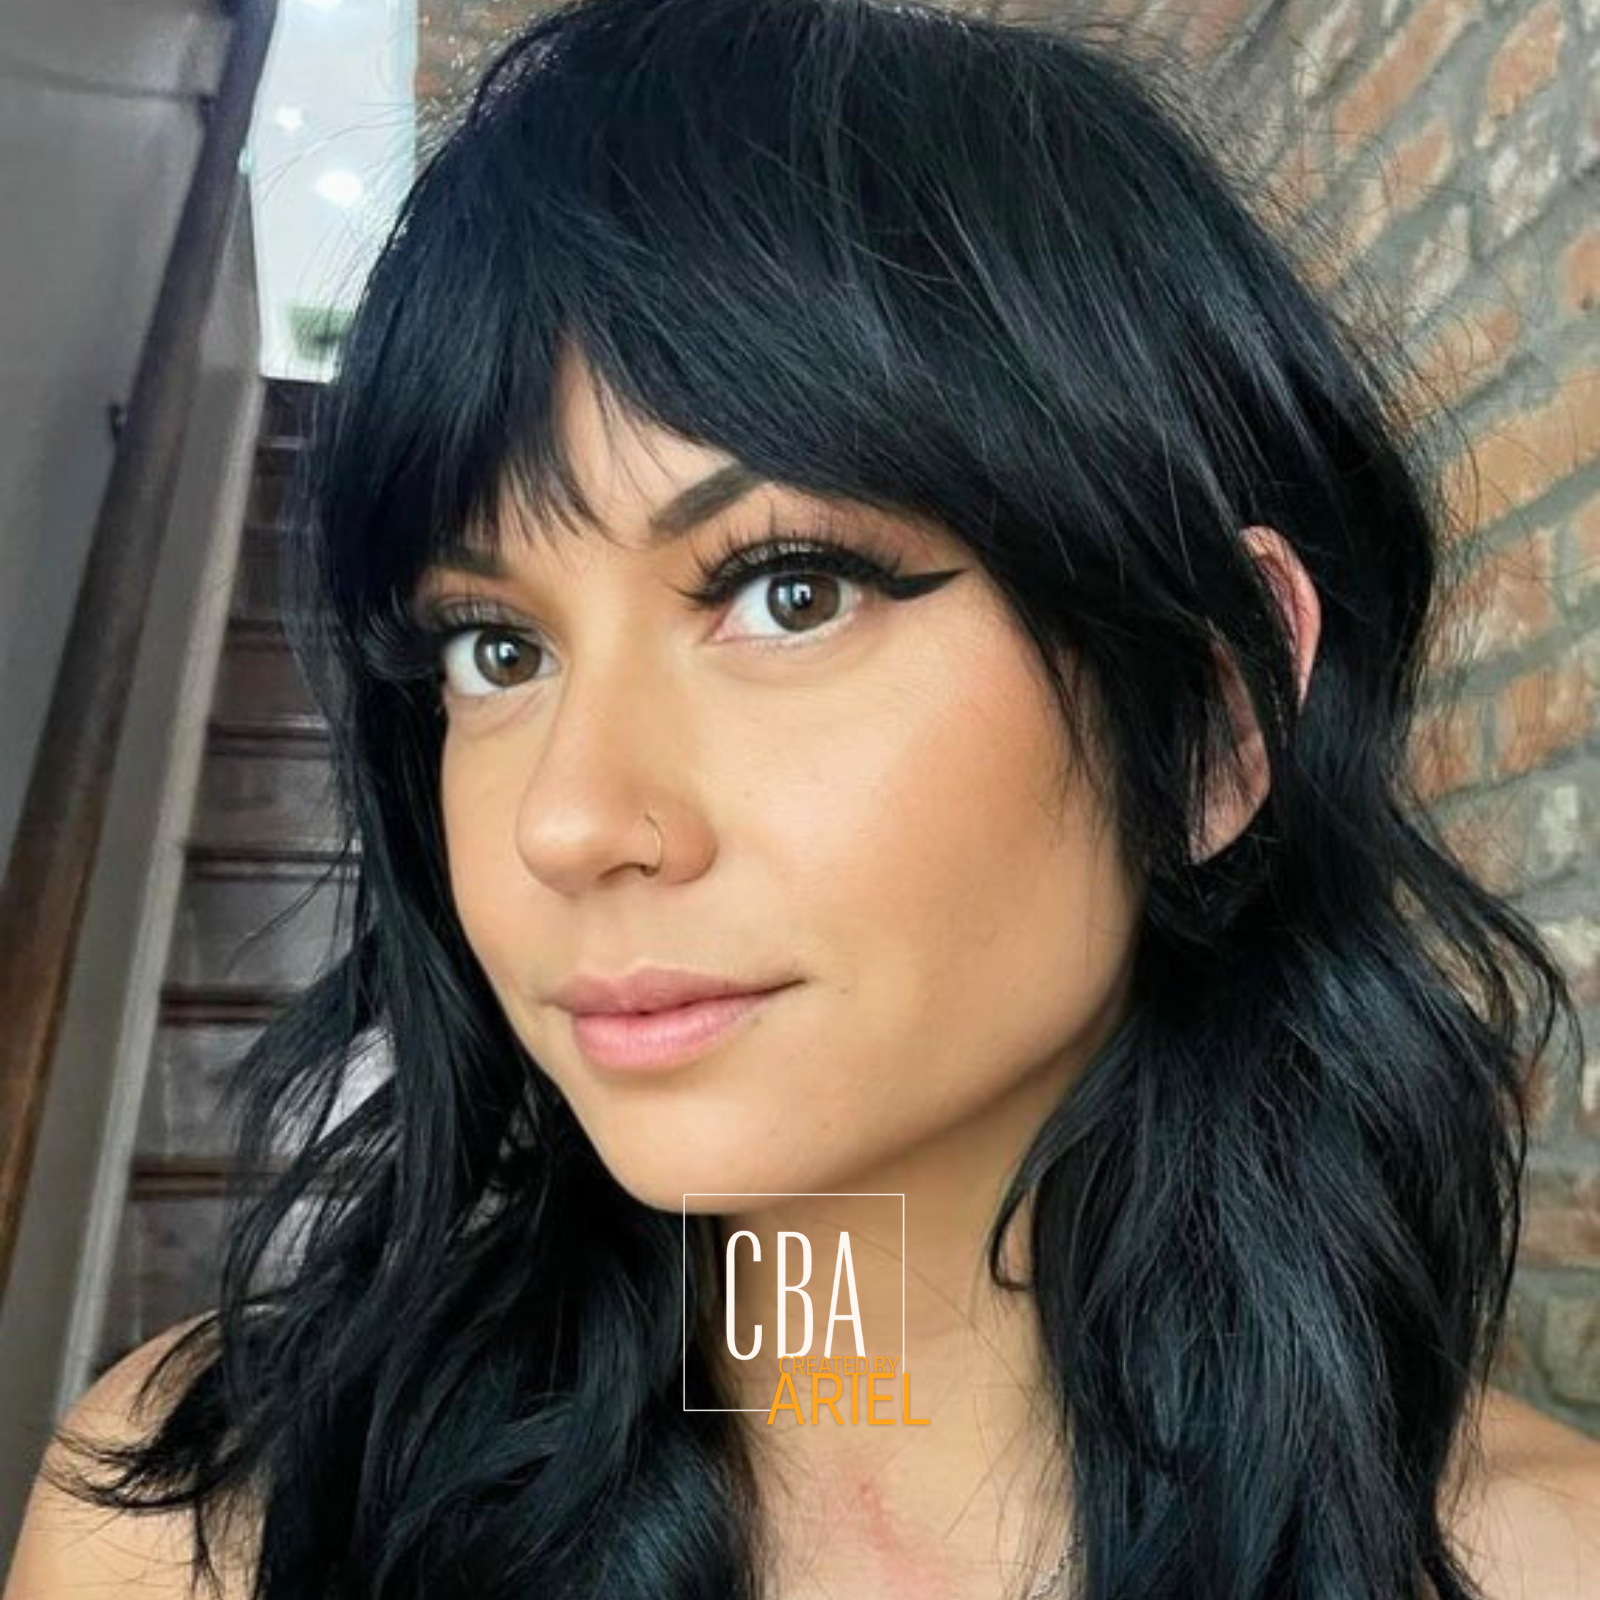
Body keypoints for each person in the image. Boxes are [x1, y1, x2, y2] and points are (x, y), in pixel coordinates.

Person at [7, 0, 1599, 1596]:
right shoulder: (197, 1536)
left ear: (1208, 718)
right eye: (496, 646)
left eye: (790, 591)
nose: (568, 821)